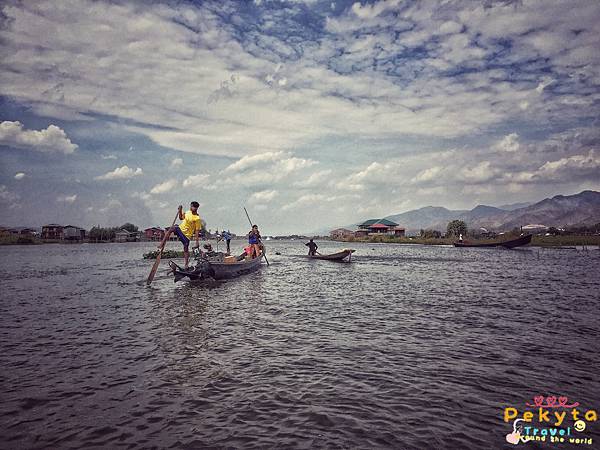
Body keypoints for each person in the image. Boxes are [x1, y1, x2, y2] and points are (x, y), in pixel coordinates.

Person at [173, 201, 201, 269]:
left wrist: (197, 242)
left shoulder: (197, 218)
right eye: (191, 206)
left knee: (186, 248)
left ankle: (186, 265)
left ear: (196, 208)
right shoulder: (187, 212)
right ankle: (162, 244)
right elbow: (180, 218)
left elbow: (197, 230)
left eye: (193, 207)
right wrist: (180, 210)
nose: (191, 208)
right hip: (180, 229)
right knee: (171, 229)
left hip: (187, 236)